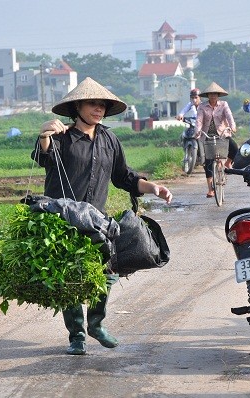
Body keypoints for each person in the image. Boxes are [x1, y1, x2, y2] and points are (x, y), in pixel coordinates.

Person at [31, 77, 173, 356]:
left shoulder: (109, 139)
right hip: (63, 219)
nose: (98, 109)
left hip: (97, 220)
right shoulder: (62, 137)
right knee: (69, 278)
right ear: (77, 106)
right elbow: (43, 156)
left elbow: (124, 176)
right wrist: (45, 134)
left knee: (107, 273)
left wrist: (153, 187)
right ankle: (77, 336)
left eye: (102, 105)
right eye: (92, 104)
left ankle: (95, 323)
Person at [196, 81, 237, 197]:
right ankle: (210, 189)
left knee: (234, 148)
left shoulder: (224, 105)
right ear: (207, 95)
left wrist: (232, 126)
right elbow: (199, 120)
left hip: (222, 135)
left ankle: (228, 163)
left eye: (215, 94)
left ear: (218, 95)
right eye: (210, 94)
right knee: (208, 162)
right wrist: (197, 131)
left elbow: (229, 116)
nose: (213, 96)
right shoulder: (202, 106)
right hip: (207, 136)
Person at [176, 88, 204, 165]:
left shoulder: (203, 106)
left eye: (196, 97)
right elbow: (183, 111)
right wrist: (180, 115)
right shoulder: (190, 105)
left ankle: (203, 155)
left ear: (200, 97)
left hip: (201, 127)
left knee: (204, 139)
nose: (194, 100)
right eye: (192, 98)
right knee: (183, 135)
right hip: (192, 125)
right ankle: (186, 152)